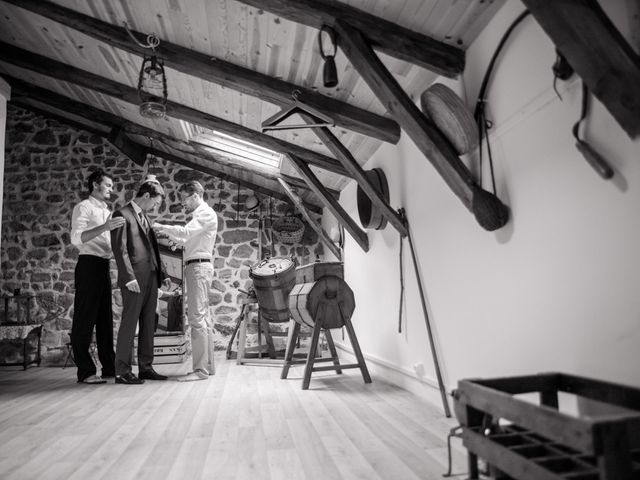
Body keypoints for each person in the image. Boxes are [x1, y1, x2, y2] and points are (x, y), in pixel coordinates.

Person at [154, 180, 218, 382]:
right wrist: (175, 241)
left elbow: (185, 232)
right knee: (203, 318)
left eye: (184, 199)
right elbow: (186, 238)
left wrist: (160, 226)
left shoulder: (204, 213)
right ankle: (208, 367)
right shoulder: (199, 216)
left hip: (198, 267)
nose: (183, 204)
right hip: (198, 266)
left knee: (196, 319)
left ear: (195, 195)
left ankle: (200, 370)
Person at [110, 179, 169, 384]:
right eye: (155, 203)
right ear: (146, 196)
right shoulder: (121, 215)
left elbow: (152, 248)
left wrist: (162, 273)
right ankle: (122, 372)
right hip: (134, 279)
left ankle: (145, 367)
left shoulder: (144, 217)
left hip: (151, 277)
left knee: (148, 323)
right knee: (129, 323)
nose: (155, 207)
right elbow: (120, 249)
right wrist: (128, 278)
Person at [70, 169, 125, 384]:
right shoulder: (83, 207)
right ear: (95, 184)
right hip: (88, 265)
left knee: (105, 320)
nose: (111, 189)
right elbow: (76, 238)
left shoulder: (107, 210)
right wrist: (104, 226)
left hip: (104, 265)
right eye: (108, 185)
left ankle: (110, 368)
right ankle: (85, 372)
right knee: (84, 319)